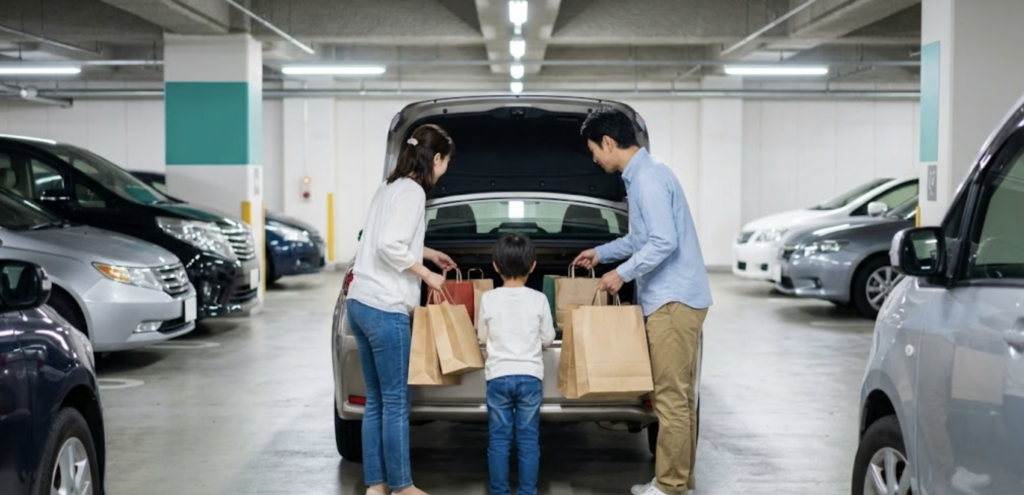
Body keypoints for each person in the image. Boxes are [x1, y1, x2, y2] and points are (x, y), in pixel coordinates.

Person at [572, 108, 713, 495]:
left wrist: (622, 274)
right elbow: (641, 239)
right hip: (680, 297)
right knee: (680, 397)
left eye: (594, 151)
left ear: (608, 142)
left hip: (673, 301)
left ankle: (669, 486)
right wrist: (601, 254)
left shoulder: (647, 180)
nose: (595, 160)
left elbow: (663, 242)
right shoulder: (646, 176)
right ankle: (680, 479)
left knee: (670, 398)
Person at [346, 123, 458, 495]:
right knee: (395, 402)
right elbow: (389, 247)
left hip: (360, 303)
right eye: (445, 163)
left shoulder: (389, 186)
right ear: (436, 158)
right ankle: (403, 486)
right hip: (385, 308)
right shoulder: (412, 192)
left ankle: (376, 485)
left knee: (376, 401)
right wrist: (428, 274)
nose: (443, 172)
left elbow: (383, 237)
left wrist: (426, 250)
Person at [477, 233, 556, 495]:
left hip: (498, 376)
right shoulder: (538, 299)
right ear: (533, 266)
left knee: (499, 440)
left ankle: (499, 491)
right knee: (528, 440)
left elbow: (481, 336)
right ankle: (526, 491)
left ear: (495, 266)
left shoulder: (488, 298)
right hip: (530, 377)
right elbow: (547, 337)